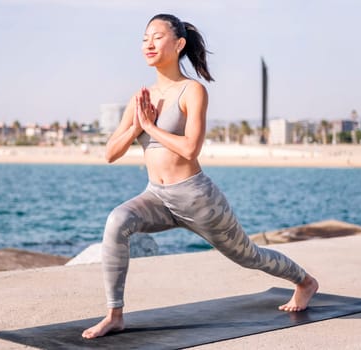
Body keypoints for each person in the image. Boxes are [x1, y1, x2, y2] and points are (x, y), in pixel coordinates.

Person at [82, 13, 319, 339]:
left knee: (249, 256)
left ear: (179, 44)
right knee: (117, 221)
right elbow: (110, 153)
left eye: (157, 37)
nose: (148, 44)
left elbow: (191, 149)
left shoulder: (191, 91)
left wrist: (150, 128)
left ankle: (305, 282)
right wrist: (137, 126)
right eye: (144, 38)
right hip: (156, 196)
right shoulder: (140, 100)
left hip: (196, 198)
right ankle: (114, 315)